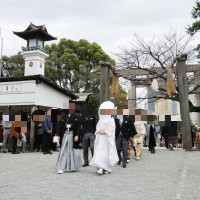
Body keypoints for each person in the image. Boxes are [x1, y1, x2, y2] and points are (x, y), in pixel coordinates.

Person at [90, 101, 119, 175]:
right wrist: (99, 131)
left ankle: (105, 167)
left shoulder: (111, 120)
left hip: (106, 139)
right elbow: (97, 127)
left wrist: (105, 132)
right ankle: (100, 167)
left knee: (105, 153)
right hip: (100, 138)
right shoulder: (101, 119)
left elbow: (111, 129)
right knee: (99, 152)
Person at [56, 107, 82, 174]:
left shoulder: (77, 116)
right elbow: (60, 126)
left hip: (72, 134)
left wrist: (77, 135)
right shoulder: (64, 116)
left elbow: (79, 126)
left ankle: (74, 166)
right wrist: (58, 135)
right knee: (64, 150)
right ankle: (61, 167)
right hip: (65, 134)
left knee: (73, 151)